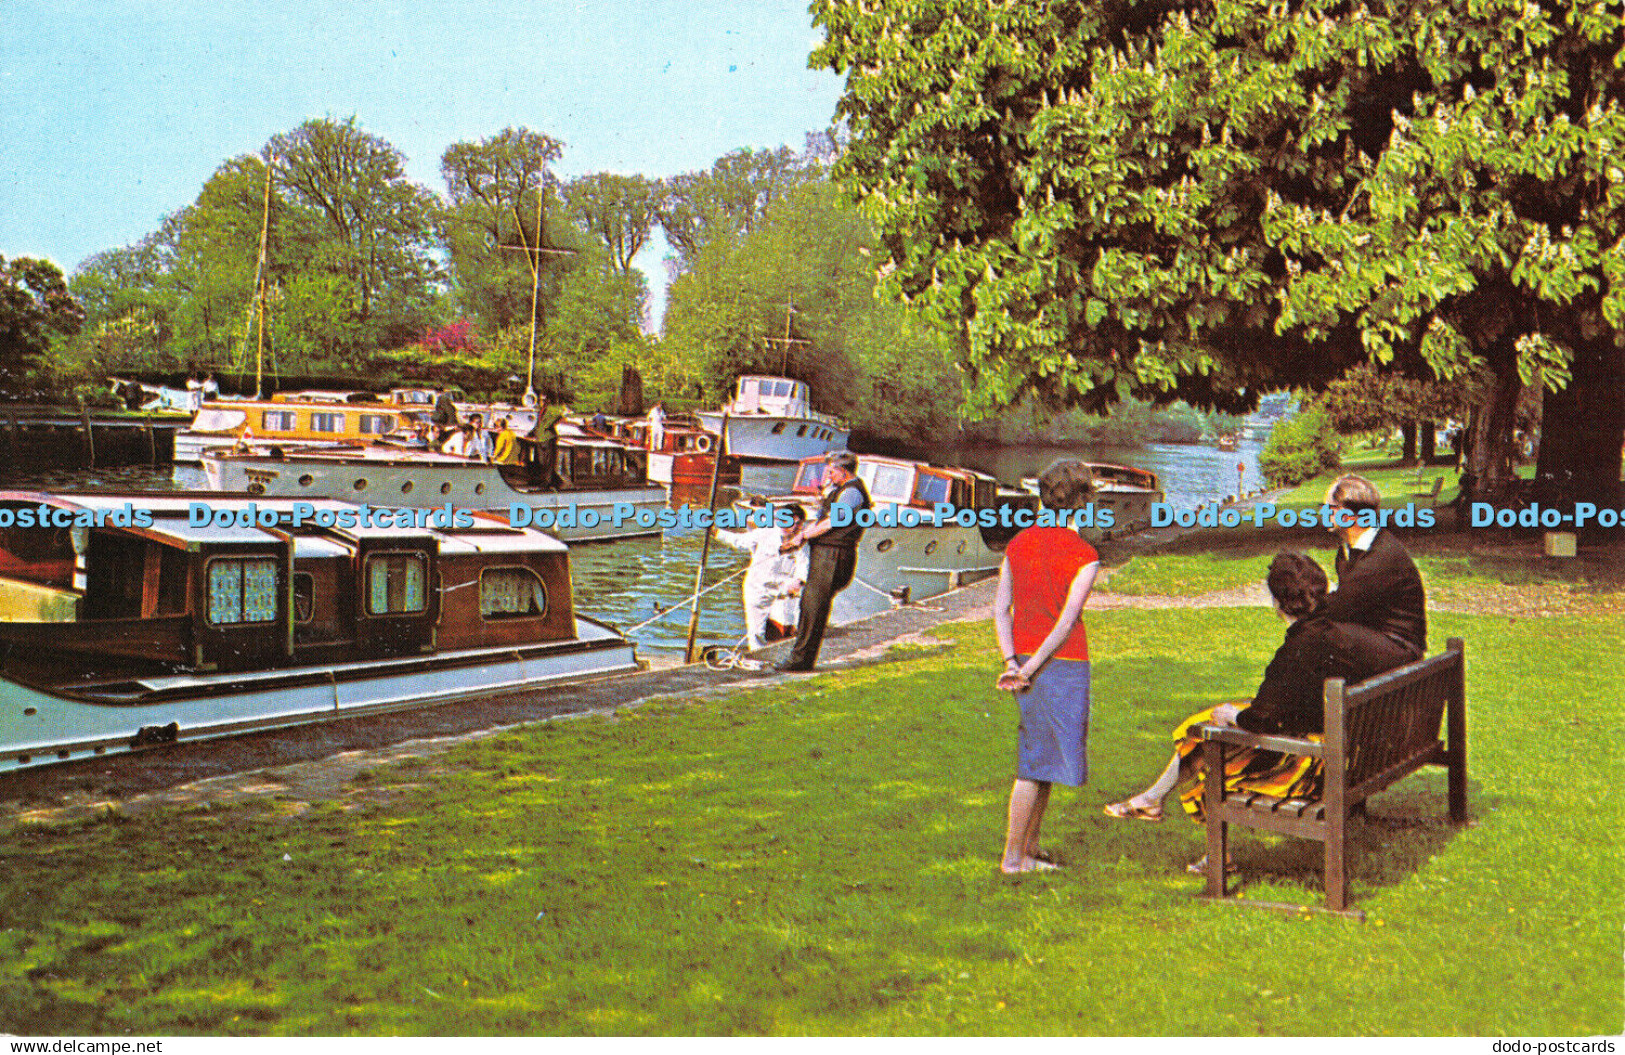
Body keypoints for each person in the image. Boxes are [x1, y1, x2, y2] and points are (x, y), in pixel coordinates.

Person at [1103, 552, 1389, 875]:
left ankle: (1201, 843)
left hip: (1313, 768)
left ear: (1278, 602)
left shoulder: (1298, 649)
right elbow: (1289, 704)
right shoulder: (1334, 632)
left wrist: (1233, 717)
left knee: (1208, 748)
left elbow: (1260, 720)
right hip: (1350, 753)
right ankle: (1152, 800)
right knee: (1207, 729)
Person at [992, 459, 1100, 874]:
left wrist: (1012, 661)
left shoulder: (1017, 543)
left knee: (1044, 758)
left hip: (1023, 660)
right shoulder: (1084, 555)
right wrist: (1031, 667)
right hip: (1061, 662)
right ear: (1082, 502)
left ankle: (1030, 847)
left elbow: (1001, 608)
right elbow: (1067, 621)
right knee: (1036, 762)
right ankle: (1014, 858)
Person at [774, 450, 871, 673]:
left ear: (842, 471)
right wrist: (804, 534)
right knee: (810, 605)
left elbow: (832, 522)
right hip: (827, 555)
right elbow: (824, 519)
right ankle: (801, 657)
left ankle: (800, 660)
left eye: (831, 471)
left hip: (834, 556)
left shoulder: (851, 492)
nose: (828, 474)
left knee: (813, 606)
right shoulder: (842, 490)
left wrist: (804, 535)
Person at [1320, 474, 1427, 671]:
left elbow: (1336, 610)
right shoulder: (1352, 549)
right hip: (1380, 641)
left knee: (1322, 634)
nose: (1323, 512)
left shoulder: (1378, 559)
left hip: (1400, 649)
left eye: (1329, 507)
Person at [715, 505, 808, 651]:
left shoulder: (803, 541)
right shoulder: (765, 533)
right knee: (756, 632)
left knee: (791, 624)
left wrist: (799, 581)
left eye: (796, 524)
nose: (790, 527)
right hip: (759, 587)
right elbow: (739, 541)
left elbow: (804, 565)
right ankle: (757, 661)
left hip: (785, 587)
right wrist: (716, 532)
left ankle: (788, 656)